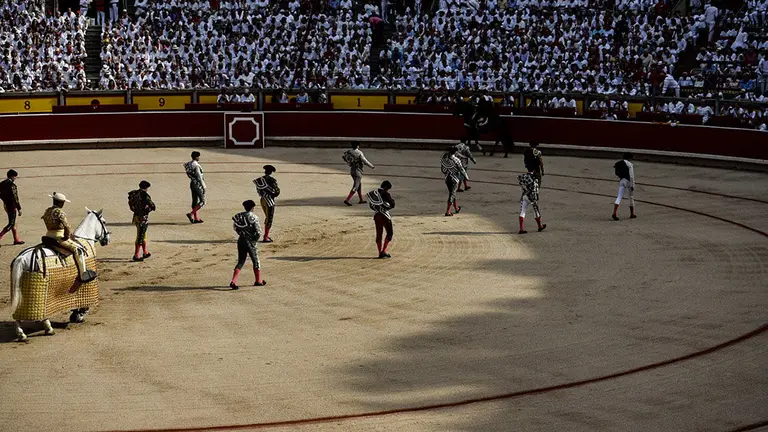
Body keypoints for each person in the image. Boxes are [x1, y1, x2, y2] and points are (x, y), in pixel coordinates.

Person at [41, 192, 97, 283]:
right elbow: (66, 226)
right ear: (61, 203)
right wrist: (67, 236)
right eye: (63, 202)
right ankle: (83, 274)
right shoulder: (59, 212)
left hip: (48, 236)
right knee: (79, 250)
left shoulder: (47, 211)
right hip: (58, 237)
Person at [230, 200, 266, 289]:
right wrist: (254, 241)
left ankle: (233, 281)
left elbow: (235, 227)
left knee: (241, 261)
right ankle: (258, 281)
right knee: (256, 261)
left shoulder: (239, 216)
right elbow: (258, 232)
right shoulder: (254, 217)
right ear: (253, 208)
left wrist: (241, 234)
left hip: (241, 240)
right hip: (250, 242)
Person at [128, 180, 156, 262]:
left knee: (143, 235)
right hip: (143, 218)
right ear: (146, 188)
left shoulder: (134, 193)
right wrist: (148, 209)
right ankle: (136, 255)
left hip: (136, 216)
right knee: (140, 236)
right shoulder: (145, 196)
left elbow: (130, 204)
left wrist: (135, 210)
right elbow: (153, 207)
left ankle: (145, 252)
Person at [367, 180, 395, 259]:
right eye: (387, 188)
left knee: (379, 234)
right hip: (385, 216)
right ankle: (384, 251)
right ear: (385, 187)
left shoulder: (374, 194)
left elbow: (371, 206)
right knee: (389, 233)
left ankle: (380, 252)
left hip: (377, 216)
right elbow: (392, 205)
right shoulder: (386, 194)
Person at [342, 141, 375, 206]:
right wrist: (371, 166)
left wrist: (350, 163)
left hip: (352, 170)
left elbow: (344, 157)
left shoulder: (349, 152)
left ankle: (361, 200)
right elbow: (365, 161)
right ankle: (347, 200)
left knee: (358, 184)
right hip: (358, 171)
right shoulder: (359, 152)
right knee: (356, 186)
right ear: (357, 146)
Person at [253, 165, 279, 243]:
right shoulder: (272, 180)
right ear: (271, 172)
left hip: (262, 200)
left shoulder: (259, 180)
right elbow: (276, 192)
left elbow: (258, 190)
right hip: (269, 201)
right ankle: (266, 237)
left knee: (267, 217)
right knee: (269, 218)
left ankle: (266, 235)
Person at [441, 147, 468, 216]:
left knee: (452, 193)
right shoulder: (456, 160)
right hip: (454, 179)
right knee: (452, 194)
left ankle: (456, 208)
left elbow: (443, 170)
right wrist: (466, 176)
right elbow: (461, 169)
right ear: (455, 152)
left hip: (447, 179)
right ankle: (448, 211)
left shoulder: (444, 159)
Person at [0, 169, 23, 245]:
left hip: (6, 205)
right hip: (11, 206)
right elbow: (15, 198)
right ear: (12, 176)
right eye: (15, 177)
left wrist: (4, 199)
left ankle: (16, 239)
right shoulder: (12, 185)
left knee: (13, 222)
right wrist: (19, 208)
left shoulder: (2, 183)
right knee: (11, 223)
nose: (15, 178)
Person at [612, 152, 637, 220]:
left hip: (622, 180)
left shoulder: (619, 163)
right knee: (631, 197)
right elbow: (631, 176)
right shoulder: (629, 164)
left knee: (619, 197)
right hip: (628, 181)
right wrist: (632, 185)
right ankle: (632, 214)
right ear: (629, 158)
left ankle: (614, 212)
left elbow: (616, 173)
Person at [184, 151, 206, 223]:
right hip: (197, 184)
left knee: (195, 201)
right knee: (202, 201)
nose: (199, 158)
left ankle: (196, 218)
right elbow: (199, 177)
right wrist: (203, 186)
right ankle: (191, 214)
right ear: (196, 157)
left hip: (192, 183)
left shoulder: (189, 164)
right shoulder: (196, 165)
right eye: (198, 156)